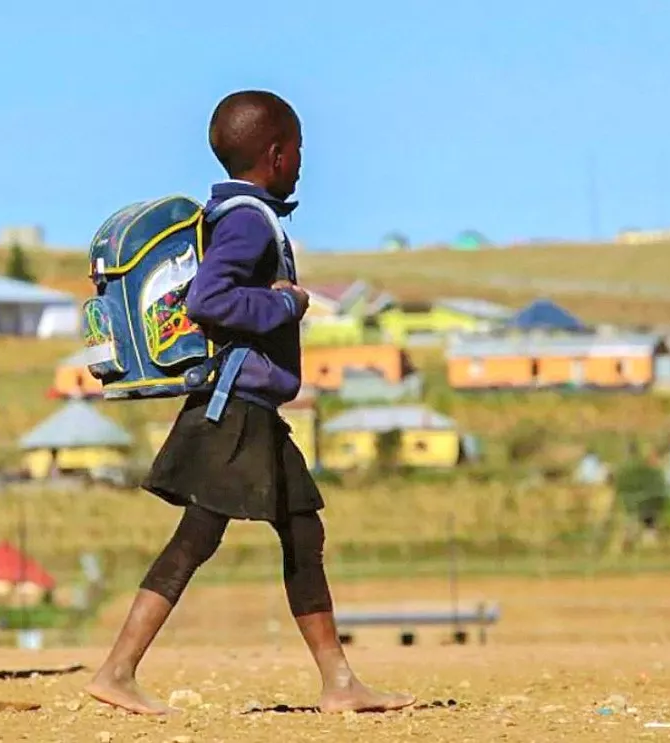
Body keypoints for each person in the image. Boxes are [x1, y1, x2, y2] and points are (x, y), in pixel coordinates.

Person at [85, 90, 415, 716]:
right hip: (234, 408)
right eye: (297, 149)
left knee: (298, 529)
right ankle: (118, 671)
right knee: (199, 538)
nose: (301, 161)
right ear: (277, 153)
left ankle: (339, 683)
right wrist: (287, 304)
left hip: (248, 406)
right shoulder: (246, 220)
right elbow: (209, 300)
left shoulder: (240, 214)